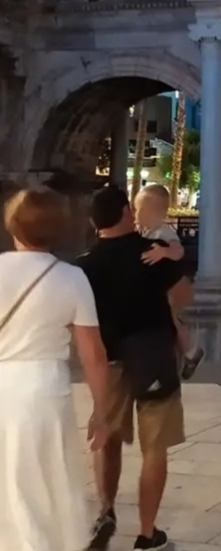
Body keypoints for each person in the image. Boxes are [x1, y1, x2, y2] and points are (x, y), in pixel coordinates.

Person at [76, 185, 194, 551]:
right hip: (153, 354)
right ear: (127, 212)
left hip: (108, 360)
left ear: (94, 223)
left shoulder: (84, 266)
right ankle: (147, 533)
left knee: (106, 437)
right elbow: (183, 296)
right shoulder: (154, 252)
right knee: (154, 446)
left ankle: (106, 510)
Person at [0, 186, 112, 551]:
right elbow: (93, 354)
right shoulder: (71, 278)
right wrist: (101, 411)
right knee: (44, 481)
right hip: (44, 389)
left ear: (13, 224)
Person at [133, 183, 204, 378]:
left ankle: (191, 351)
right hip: (156, 288)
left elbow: (178, 251)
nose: (136, 214)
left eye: (140, 210)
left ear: (154, 212)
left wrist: (164, 252)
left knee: (172, 320)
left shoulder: (164, 232)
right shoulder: (145, 232)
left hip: (167, 289)